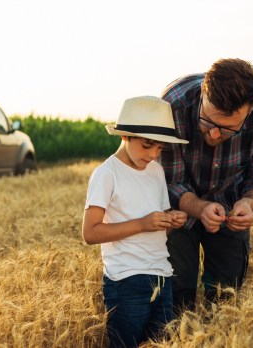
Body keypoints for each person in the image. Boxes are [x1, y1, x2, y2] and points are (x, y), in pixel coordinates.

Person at [159, 58, 253, 314]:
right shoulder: (173, 104)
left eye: (228, 129)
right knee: (176, 286)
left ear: (249, 111)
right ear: (203, 93)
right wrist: (200, 207)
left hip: (231, 211)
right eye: (208, 121)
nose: (214, 135)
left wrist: (248, 203)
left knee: (225, 294)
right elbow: (169, 180)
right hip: (178, 210)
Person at [82, 96, 189, 347]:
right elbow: (90, 233)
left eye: (160, 148)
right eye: (147, 145)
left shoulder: (156, 171)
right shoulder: (106, 174)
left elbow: (157, 220)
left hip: (162, 274)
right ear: (125, 136)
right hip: (126, 280)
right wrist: (142, 223)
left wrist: (172, 219)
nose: (153, 154)